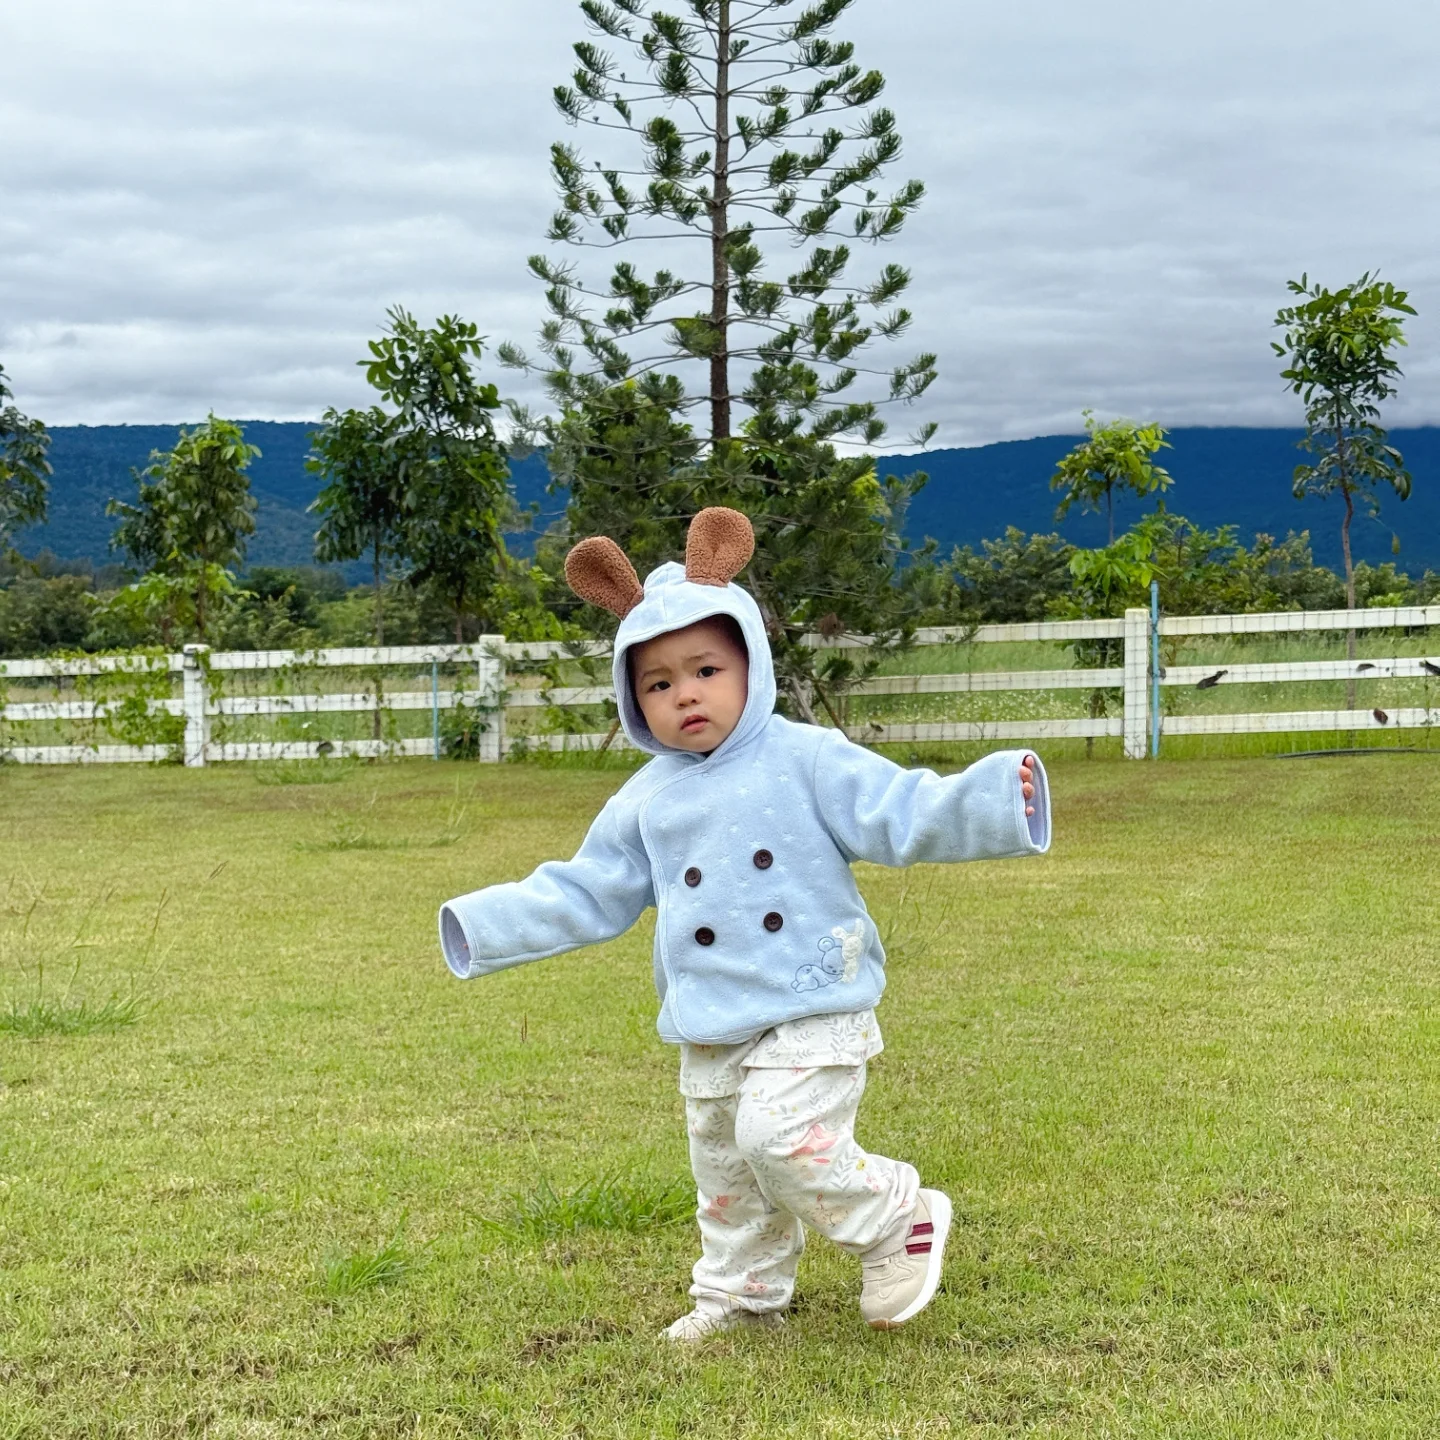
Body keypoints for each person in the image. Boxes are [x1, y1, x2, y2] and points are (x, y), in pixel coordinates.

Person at [438, 507, 1051, 1341]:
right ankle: (741, 1295)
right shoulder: (644, 800)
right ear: (632, 699)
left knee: (779, 1135)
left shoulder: (805, 757)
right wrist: (485, 924)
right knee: (726, 1166)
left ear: (749, 664)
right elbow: (585, 890)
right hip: (713, 1015)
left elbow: (899, 809)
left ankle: (894, 1217)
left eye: (705, 670)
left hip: (812, 995)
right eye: (658, 684)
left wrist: (993, 799)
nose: (685, 694)